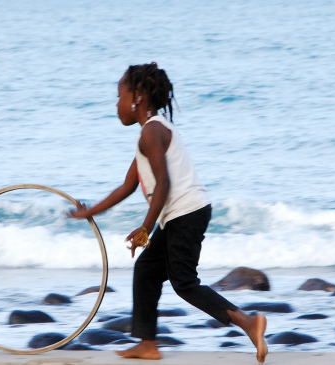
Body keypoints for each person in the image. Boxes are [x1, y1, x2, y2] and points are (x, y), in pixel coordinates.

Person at [69, 62, 268, 363]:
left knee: (184, 282)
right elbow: (128, 185)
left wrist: (145, 230)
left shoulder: (153, 132)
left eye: (119, 95)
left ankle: (248, 323)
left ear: (137, 98)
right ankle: (148, 344)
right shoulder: (150, 134)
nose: (116, 103)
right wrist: (90, 212)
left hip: (185, 212)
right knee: (147, 271)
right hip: (183, 213)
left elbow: (163, 183)